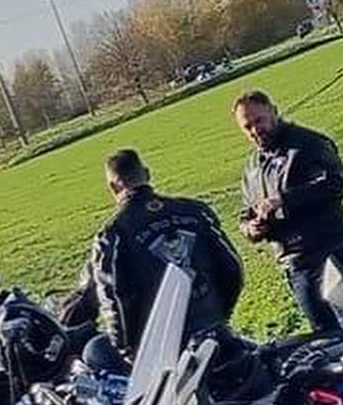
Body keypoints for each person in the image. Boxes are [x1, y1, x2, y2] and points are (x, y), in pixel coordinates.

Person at [60, 149, 244, 359]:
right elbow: (231, 266)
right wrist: (220, 313)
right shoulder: (194, 211)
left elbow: (115, 299)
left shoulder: (114, 234)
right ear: (147, 174)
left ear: (113, 187)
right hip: (215, 330)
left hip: (164, 345)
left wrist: (126, 348)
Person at [234, 91, 343, 333]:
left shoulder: (308, 144)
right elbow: (246, 214)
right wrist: (251, 229)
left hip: (330, 254)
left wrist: (283, 200)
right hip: (294, 265)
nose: (255, 130)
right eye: (247, 126)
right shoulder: (253, 167)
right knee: (325, 337)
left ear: (273, 110)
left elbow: (335, 185)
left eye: (258, 120)